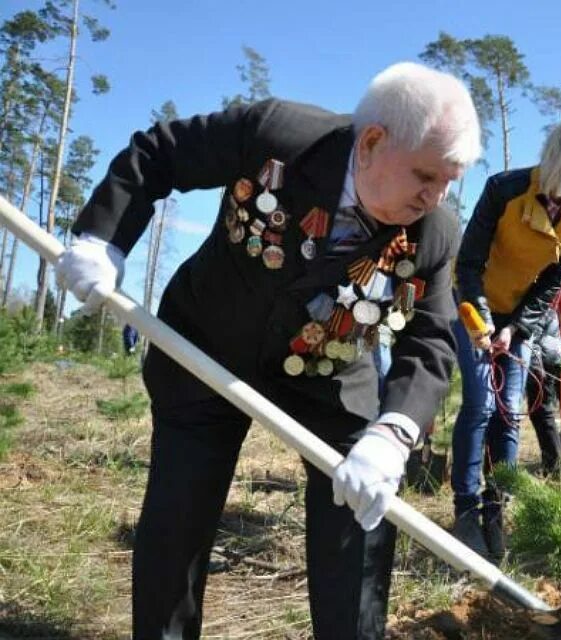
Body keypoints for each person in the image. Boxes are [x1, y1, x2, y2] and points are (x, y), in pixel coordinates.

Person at [55, 62, 481, 640]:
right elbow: (159, 153)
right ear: (374, 142)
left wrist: (395, 431)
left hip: (329, 373)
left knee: (361, 513)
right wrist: (103, 238)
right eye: (427, 176)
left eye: (450, 181)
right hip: (205, 348)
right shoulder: (276, 135)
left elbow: (429, 339)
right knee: (177, 521)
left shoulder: (435, 231)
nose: (436, 197)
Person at [452, 112, 561, 561]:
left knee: (510, 412)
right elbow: (467, 263)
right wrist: (484, 321)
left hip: (519, 317)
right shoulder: (504, 189)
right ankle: (465, 509)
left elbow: (552, 280)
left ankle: (497, 507)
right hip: (472, 305)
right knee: (482, 403)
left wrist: (517, 326)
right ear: (560, 153)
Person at [525, 280, 561, 476]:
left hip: (542, 349)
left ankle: (554, 466)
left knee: (541, 409)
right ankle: (554, 464)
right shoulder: (559, 278)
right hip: (550, 347)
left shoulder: (551, 275)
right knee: (542, 409)